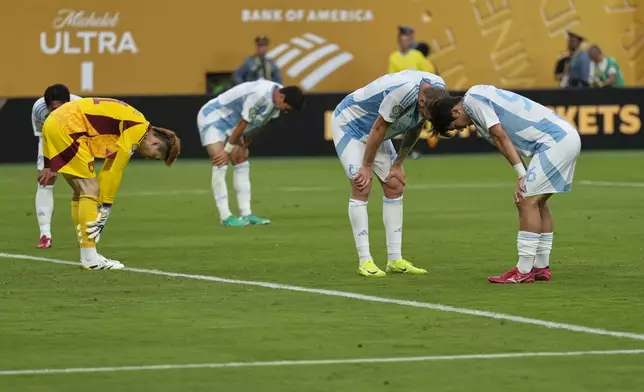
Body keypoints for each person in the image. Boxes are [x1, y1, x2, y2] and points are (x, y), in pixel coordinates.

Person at [428, 85, 581, 284]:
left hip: (555, 142)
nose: (461, 129)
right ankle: (541, 267)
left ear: (455, 111)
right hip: (563, 137)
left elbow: (500, 135)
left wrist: (521, 177)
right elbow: (502, 142)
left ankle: (523, 271)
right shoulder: (478, 103)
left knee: (525, 201)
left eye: (455, 125)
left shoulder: (473, 100)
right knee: (538, 202)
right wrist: (523, 174)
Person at [38, 98, 181, 270]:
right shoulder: (138, 129)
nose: (147, 157)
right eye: (153, 156)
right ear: (155, 142)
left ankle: (87, 253)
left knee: (81, 192)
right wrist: (105, 208)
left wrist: (102, 205)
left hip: (55, 122)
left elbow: (109, 168)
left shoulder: (128, 129)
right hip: (68, 126)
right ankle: (90, 258)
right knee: (90, 189)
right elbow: (116, 170)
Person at [331, 70, 448, 277]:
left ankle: (395, 259)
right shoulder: (402, 92)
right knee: (362, 184)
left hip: (378, 131)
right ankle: (365, 261)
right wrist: (365, 166)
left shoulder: (437, 91)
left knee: (395, 184)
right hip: (351, 126)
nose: (428, 118)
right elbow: (379, 127)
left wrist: (399, 164)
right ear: (421, 100)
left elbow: (416, 126)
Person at [197, 81, 304, 227]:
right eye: (288, 108)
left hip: (234, 122)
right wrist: (227, 151)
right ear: (281, 98)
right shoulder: (260, 94)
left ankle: (246, 213)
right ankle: (225, 216)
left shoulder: (277, 97)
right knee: (220, 161)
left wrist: (246, 142)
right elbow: (243, 123)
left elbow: (260, 123)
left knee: (241, 158)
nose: (286, 111)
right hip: (213, 117)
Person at [32, 84, 81, 248]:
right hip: (51, 140)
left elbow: (85, 136)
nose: (58, 112)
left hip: (76, 142)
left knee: (83, 187)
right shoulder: (39, 110)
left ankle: (87, 236)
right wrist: (49, 165)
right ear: (47, 107)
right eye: (54, 109)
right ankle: (45, 235)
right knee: (45, 181)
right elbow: (43, 137)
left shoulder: (79, 106)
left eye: (62, 108)